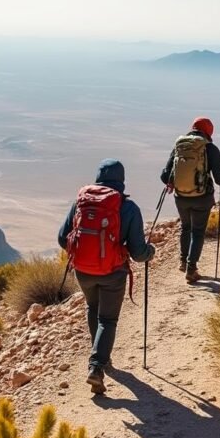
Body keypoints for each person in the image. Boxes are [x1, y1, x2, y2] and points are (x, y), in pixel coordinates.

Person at [58, 159, 155, 394]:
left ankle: (100, 356)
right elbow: (138, 253)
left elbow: (62, 238)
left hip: (83, 271)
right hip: (113, 272)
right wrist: (150, 251)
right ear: (122, 180)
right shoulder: (128, 207)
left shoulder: (81, 202)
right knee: (108, 319)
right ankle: (97, 366)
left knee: (93, 308)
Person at [160, 118, 220, 283]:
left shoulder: (180, 146)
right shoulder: (210, 148)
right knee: (198, 231)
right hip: (202, 198)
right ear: (209, 132)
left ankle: (183, 262)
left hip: (181, 197)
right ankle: (191, 269)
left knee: (186, 227)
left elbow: (165, 176)